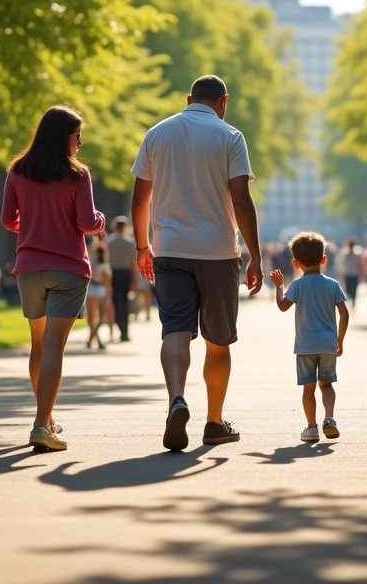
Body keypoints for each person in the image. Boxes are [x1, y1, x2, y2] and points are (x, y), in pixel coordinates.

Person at [130, 75, 263, 451]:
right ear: (224, 102)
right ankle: (214, 422)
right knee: (217, 341)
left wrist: (143, 247)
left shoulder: (157, 133)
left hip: (169, 249)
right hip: (218, 252)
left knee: (175, 329)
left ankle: (176, 399)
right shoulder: (230, 136)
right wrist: (254, 254)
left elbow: (140, 199)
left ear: (189, 99)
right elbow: (241, 200)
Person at [1, 104, 106, 452]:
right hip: (68, 269)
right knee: (54, 348)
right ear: (65, 137)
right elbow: (87, 223)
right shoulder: (78, 175)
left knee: (38, 345)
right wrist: (102, 221)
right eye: (77, 137)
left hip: (29, 268)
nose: (79, 144)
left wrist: (31, 226)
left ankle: (45, 418)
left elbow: (7, 219)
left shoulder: (18, 170)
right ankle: (40, 425)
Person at [269, 231, 349, 443]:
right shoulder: (332, 284)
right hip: (328, 344)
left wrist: (279, 287)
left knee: (308, 388)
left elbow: (282, 306)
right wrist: (339, 340)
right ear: (324, 259)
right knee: (327, 384)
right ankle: (330, 419)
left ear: (296, 264)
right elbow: (344, 313)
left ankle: (312, 428)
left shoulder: (297, 285)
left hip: (305, 345)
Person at [108, 216, 137, 342]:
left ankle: (119, 327)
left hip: (112, 274)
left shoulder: (108, 242)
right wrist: (134, 281)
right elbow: (133, 263)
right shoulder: (130, 242)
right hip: (126, 274)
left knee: (115, 302)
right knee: (124, 303)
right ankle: (124, 330)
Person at [85, 242, 112, 350]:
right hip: (100, 290)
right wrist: (109, 296)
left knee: (91, 318)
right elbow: (107, 284)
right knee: (100, 318)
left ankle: (91, 338)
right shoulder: (104, 266)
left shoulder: (89, 264)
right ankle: (97, 339)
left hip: (90, 289)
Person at [337, 238, 362, 310]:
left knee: (348, 289)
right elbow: (359, 265)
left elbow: (341, 264)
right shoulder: (357, 253)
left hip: (348, 273)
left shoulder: (344, 253)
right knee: (354, 289)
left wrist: (341, 274)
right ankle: (353, 303)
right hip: (354, 273)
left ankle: (350, 302)